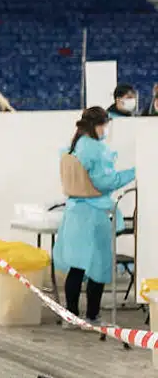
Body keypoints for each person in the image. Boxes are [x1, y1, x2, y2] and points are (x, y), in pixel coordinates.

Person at [53, 107, 136, 324]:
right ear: (97, 126)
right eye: (104, 125)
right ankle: (92, 316)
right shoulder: (96, 150)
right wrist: (135, 173)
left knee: (77, 266)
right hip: (94, 215)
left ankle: (71, 315)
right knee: (98, 267)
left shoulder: (75, 146)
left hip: (74, 213)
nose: (105, 130)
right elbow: (106, 182)